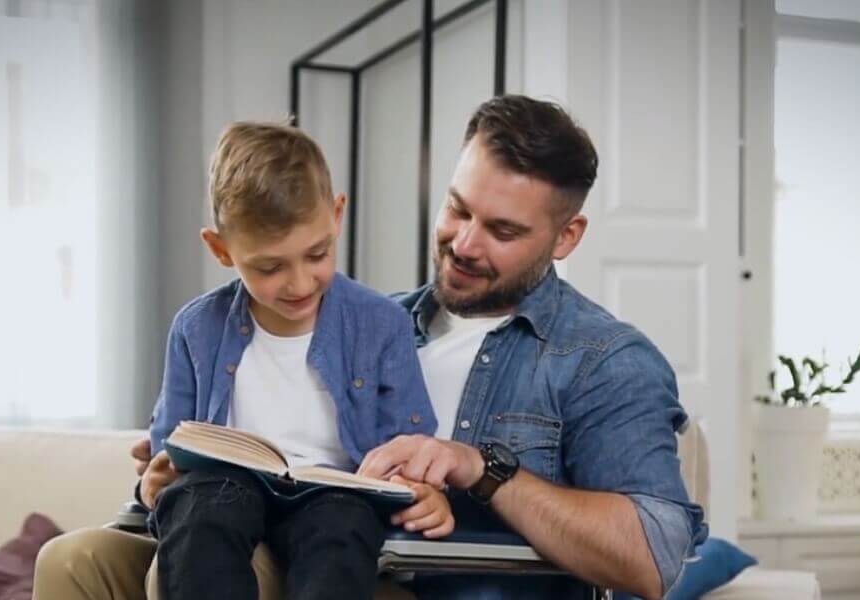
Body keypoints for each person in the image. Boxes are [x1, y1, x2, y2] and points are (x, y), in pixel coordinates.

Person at [35, 96, 704, 600]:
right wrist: (165, 473)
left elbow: (652, 555)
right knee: (77, 560)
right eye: (457, 209)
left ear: (567, 237)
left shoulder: (603, 359)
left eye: (501, 229)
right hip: (274, 538)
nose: (465, 243)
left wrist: (479, 469)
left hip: (390, 577)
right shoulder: (372, 320)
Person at [53, 121, 453, 600]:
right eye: (269, 267)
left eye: (317, 254)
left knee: (342, 522)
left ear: (337, 214)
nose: (300, 283)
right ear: (221, 249)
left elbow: (411, 448)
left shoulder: (382, 324)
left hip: (335, 499)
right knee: (201, 504)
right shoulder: (195, 328)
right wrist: (151, 485)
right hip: (224, 492)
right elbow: (169, 447)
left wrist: (422, 489)